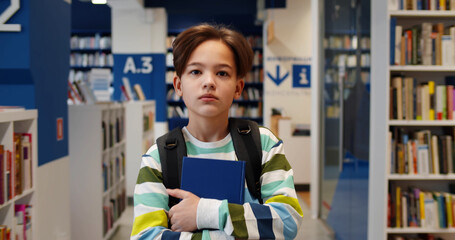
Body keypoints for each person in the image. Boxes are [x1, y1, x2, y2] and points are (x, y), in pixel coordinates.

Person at [131, 23, 303, 240]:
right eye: (195, 71)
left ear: (238, 88)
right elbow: (145, 236)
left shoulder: (263, 143)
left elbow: (287, 221)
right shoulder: (158, 157)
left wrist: (205, 213)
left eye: (222, 73)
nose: (209, 82)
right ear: (178, 86)